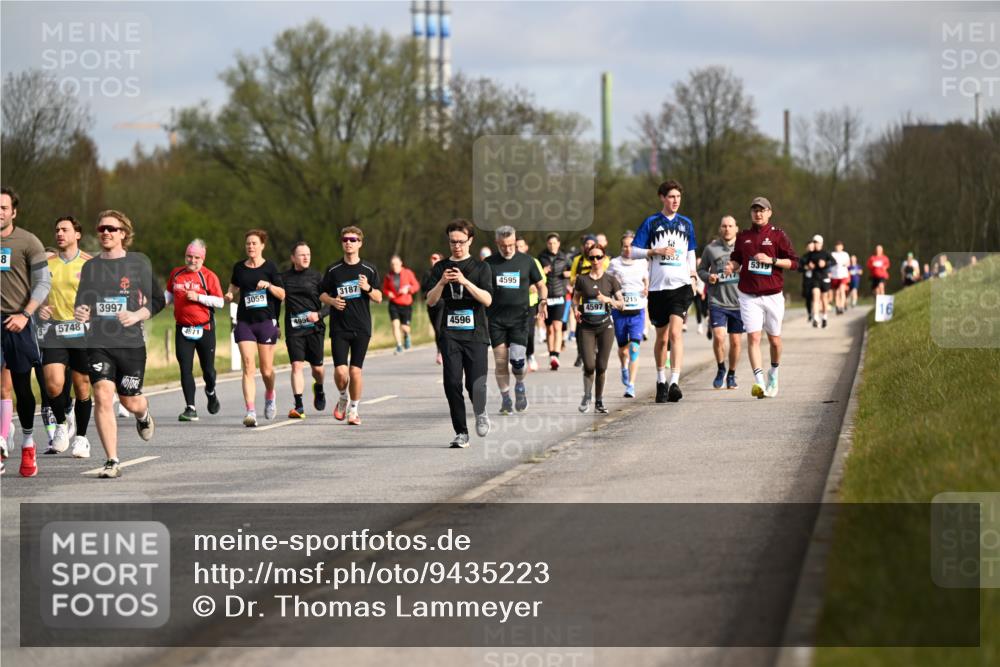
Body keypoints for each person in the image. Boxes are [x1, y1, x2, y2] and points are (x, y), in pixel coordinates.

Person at [74, 210, 165, 478]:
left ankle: (143, 414)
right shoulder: (91, 266)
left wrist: (137, 314)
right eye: (101, 228)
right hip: (99, 342)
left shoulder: (138, 263)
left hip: (131, 343)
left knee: (129, 402)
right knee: (102, 395)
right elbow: (83, 302)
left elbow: (158, 300)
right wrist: (81, 312)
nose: (105, 233)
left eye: (111, 229)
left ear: (123, 233)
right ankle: (112, 460)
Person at [425, 219, 494, 448]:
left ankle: (481, 410)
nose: (456, 246)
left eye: (461, 242)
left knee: (476, 384)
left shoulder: (481, 267)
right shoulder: (440, 268)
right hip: (450, 334)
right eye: (452, 242)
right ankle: (461, 432)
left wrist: (465, 281)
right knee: (452, 382)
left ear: (470, 241)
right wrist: (442, 283)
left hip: (476, 333)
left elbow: (488, 299)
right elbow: (431, 301)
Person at [629, 179, 698, 403]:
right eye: (671, 197)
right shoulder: (651, 222)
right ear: (662, 198)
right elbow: (633, 251)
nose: (675, 201)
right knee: (661, 337)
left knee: (676, 333)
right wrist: (655, 251)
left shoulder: (686, 223)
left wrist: (694, 276)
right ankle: (661, 380)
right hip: (658, 288)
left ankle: (675, 382)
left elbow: (690, 253)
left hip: (680, 286)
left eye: (678, 197)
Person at [0, 187, 52, 476]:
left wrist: (25, 314)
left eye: (4, 207)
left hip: (17, 321)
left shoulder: (28, 241)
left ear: (13, 212)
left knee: (22, 386)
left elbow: (44, 283)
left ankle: (28, 443)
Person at [725, 197, 798, 399]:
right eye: (755, 210)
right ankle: (759, 383)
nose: (758, 214)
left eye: (762, 210)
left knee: (774, 340)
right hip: (749, 295)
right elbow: (737, 259)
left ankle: (773, 373)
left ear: (769, 213)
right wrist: (732, 266)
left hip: (773, 295)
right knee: (754, 337)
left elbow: (794, 263)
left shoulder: (778, 235)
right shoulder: (743, 236)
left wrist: (771, 260)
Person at [38, 216, 94, 457]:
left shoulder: (90, 263)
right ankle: (61, 425)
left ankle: (81, 438)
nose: (60, 233)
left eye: (65, 229)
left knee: (82, 387)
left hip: (83, 332)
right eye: (57, 229)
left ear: (77, 234)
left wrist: (91, 311)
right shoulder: (46, 264)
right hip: (54, 329)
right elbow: (37, 293)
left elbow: (103, 295)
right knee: (53, 384)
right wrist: (40, 308)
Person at [319, 227, 382, 426]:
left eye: (353, 240)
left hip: (362, 327)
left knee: (355, 371)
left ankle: (353, 410)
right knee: (340, 372)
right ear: (342, 243)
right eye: (345, 239)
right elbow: (321, 294)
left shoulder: (369, 270)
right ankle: (342, 396)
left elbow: (379, 298)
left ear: (360, 243)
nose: (349, 243)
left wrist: (368, 288)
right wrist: (332, 302)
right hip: (339, 327)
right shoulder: (333, 270)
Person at [224, 229, 285, 427]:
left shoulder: (270, 267)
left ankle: (269, 394)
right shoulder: (239, 268)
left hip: (266, 322)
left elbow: (282, 294)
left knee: (266, 370)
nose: (250, 246)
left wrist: (268, 285)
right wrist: (230, 294)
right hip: (245, 322)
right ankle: (250, 411)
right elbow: (234, 285)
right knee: (249, 366)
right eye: (248, 243)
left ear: (262, 246)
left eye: (254, 243)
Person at [485, 226, 545, 415]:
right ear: (497, 244)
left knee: (517, 362)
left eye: (511, 245)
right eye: (504, 246)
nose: (509, 249)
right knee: (500, 361)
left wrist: (543, 301)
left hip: (520, 319)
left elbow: (541, 285)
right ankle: (506, 400)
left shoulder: (527, 261)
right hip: (496, 320)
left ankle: (519, 385)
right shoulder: (488, 263)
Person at [165, 239, 223, 422]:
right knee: (185, 368)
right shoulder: (176, 274)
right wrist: (152, 305)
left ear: (203, 259)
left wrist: (198, 297)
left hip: (204, 328)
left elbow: (220, 302)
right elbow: (167, 295)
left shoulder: (209, 276)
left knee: (208, 370)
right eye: (189, 256)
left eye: (196, 257)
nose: (192, 260)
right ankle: (190, 407)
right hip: (183, 328)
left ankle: (210, 391)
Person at [573, 243, 624, 413]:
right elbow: (575, 299)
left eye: (598, 257)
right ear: (588, 259)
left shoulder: (611, 280)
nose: (595, 260)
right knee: (589, 365)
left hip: (605, 327)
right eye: (592, 257)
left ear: (604, 258)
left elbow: (621, 304)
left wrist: (608, 300)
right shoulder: (582, 279)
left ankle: (599, 401)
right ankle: (587, 396)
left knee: (601, 366)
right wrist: (575, 310)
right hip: (586, 327)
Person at [281, 241, 328, 419]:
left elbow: (331, 302)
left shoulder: (317, 277)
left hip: (314, 328)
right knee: (296, 365)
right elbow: (276, 302)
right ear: (293, 258)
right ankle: (299, 406)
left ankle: (320, 388)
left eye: (308, 254)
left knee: (317, 369)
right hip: (294, 329)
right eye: (301, 254)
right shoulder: (283, 278)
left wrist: (319, 314)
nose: (306, 257)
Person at [698, 216, 744, 390]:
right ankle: (720, 369)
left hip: (739, 302)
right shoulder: (711, 249)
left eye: (730, 226)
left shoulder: (744, 248)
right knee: (718, 337)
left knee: (736, 342)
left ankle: (731, 374)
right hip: (717, 300)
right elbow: (701, 269)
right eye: (724, 226)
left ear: (736, 228)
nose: (727, 229)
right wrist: (708, 277)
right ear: (720, 229)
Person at [607, 231, 649, 398]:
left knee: (634, 348)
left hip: (638, 310)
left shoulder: (642, 262)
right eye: (625, 246)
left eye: (631, 246)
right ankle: (623, 367)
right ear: (621, 247)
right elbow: (607, 282)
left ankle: (631, 385)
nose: (628, 249)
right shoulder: (614, 263)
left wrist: (646, 287)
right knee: (623, 349)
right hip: (620, 311)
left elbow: (646, 278)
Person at [537, 233, 571, 370]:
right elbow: (535, 274)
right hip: (546, 296)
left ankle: (556, 355)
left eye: (554, 243)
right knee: (549, 328)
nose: (552, 245)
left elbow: (572, 272)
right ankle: (552, 355)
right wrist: (542, 272)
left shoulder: (564, 257)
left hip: (559, 294)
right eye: (550, 243)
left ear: (559, 244)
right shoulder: (541, 257)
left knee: (557, 326)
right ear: (547, 244)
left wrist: (567, 274)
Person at [516, 237, 546, 372]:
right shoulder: (509, 263)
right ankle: (517, 356)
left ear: (526, 247)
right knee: (515, 332)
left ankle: (530, 355)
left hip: (530, 302)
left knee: (529, 332)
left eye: (521, 246)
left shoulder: (533, 261)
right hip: (512, 303)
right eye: (516, 246)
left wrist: (533, 285)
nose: (518, 249)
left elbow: (542, 280)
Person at [382, 255, 420, 354]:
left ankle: (406, 336)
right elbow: (385, 288)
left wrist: (408, 289)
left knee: (404, 328)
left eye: (396, 264)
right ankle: (399, 345)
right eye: (392, 264)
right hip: (394, 303)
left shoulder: (408, 273)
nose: (394, 266)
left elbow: (416, 285)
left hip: (406, 303)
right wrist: (387, 293)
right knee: (395, 325)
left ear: (401, 263)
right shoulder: (388, 275)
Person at [802, 235, 835, 328]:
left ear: (821, 243)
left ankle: (824, 317)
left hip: (824, 278)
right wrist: (808, 266)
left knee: (824, 299)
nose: (815, 244)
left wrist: (825, 263)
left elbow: (834, 262)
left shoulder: (825, 253)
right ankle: (816, 318)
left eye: (817, 242)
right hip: (815, 278)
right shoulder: (810, 254)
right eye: (814, 242)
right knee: (816, 296)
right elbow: (802, 264)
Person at [420, 252, 445, 365]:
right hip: (431, 304)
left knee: (439, 328)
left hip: (442, 304)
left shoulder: (444, 273)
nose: (433, 260)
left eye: (435, 258)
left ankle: (442, 352)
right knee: (436, 329)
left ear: (440, 260)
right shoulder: (427, 273)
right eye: (432, 258)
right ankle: (439, 350)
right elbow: (423, 288)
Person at [829, 241, 851, 314]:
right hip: (834, 275)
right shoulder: (832, 254)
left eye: (840, 246)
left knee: (842, 290)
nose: (838, 248)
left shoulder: (845, 254)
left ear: (842, 247)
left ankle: (841, 306)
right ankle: (837, 306)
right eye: (837, 246)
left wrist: (846, 264)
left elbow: (848, 263)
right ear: (835, 247)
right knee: (837, 293)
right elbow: (829, 264)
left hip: (843, 275)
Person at [800, 240, 816, 321]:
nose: (811, 248)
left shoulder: (818, 256)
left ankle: (815, 313)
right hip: (807, 280)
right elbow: (799, 268)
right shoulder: (804, 257)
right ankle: (810, 313)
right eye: (809, 247)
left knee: (816, 296)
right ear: (807, 248)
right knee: (808, 298)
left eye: (812, 247)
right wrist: (806, 267)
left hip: (816, 279)